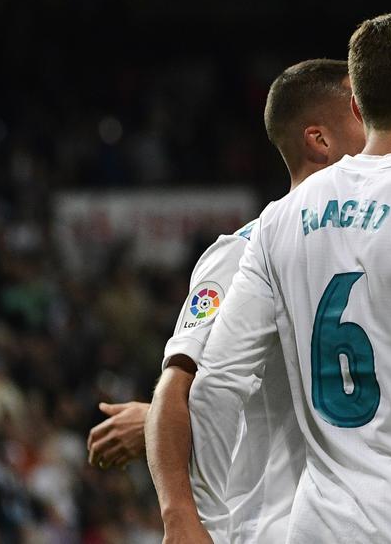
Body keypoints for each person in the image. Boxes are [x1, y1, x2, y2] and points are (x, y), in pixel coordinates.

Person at [184, 12, 391, 543]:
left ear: (358, 106)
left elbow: (215, 383)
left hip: (320, 526)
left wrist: (208, 522)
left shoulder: (277, 221)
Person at [143, 59, 366, 543]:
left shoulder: (371, 246)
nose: (377, 129)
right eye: (360, 113)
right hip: (270, 527)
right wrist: (179, 515)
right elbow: (178, 387)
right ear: (319, 140)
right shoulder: (244, 250)